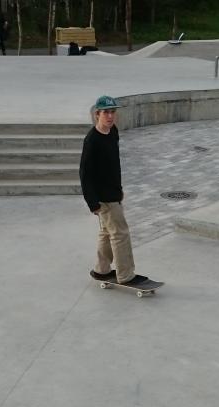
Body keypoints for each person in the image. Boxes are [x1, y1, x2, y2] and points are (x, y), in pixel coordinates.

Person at [80, 96, 153, 287]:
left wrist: (119, 189)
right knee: (121, 233)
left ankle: (101, 269)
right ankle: (126, 275)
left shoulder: (113, 132)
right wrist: (92, 203)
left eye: (113, 112)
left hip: (113, 193)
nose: (110, 116)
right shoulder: (92, 141)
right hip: (103, 198)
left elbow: (114, 164)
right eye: (106, 112)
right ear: (97, 114)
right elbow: (84, 175)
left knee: (107, 232)